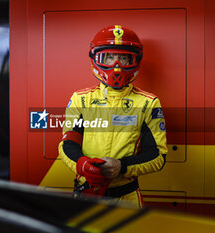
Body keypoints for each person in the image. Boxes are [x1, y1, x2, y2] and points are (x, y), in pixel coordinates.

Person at [58, 25, 167, 207]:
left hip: (127, 199)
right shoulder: (81, 99)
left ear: (134, 60)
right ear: (97, 59)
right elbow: (67, 144)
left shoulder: (148, 103)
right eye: (109, 57)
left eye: (123, 58)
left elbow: (157, 156)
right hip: (86, 194)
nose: (116, 65)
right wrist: (83, 164)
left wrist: (121, 166)